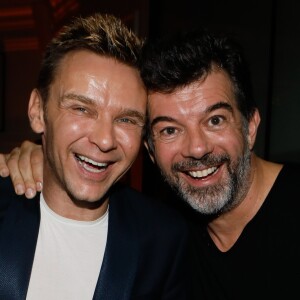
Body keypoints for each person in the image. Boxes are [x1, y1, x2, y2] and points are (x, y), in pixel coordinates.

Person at [2, 28, 300, 300]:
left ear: (250, 127)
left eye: (215, 120)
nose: (196, 148)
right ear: (151, 150)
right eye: (170, 129)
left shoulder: (164, 238)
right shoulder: (175, 229)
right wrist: (47, 154)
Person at [0, 13, 190, 300]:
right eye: (81, 109)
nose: (104, 140)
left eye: (126, 120)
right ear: (38, 112)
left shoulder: (163, 240)